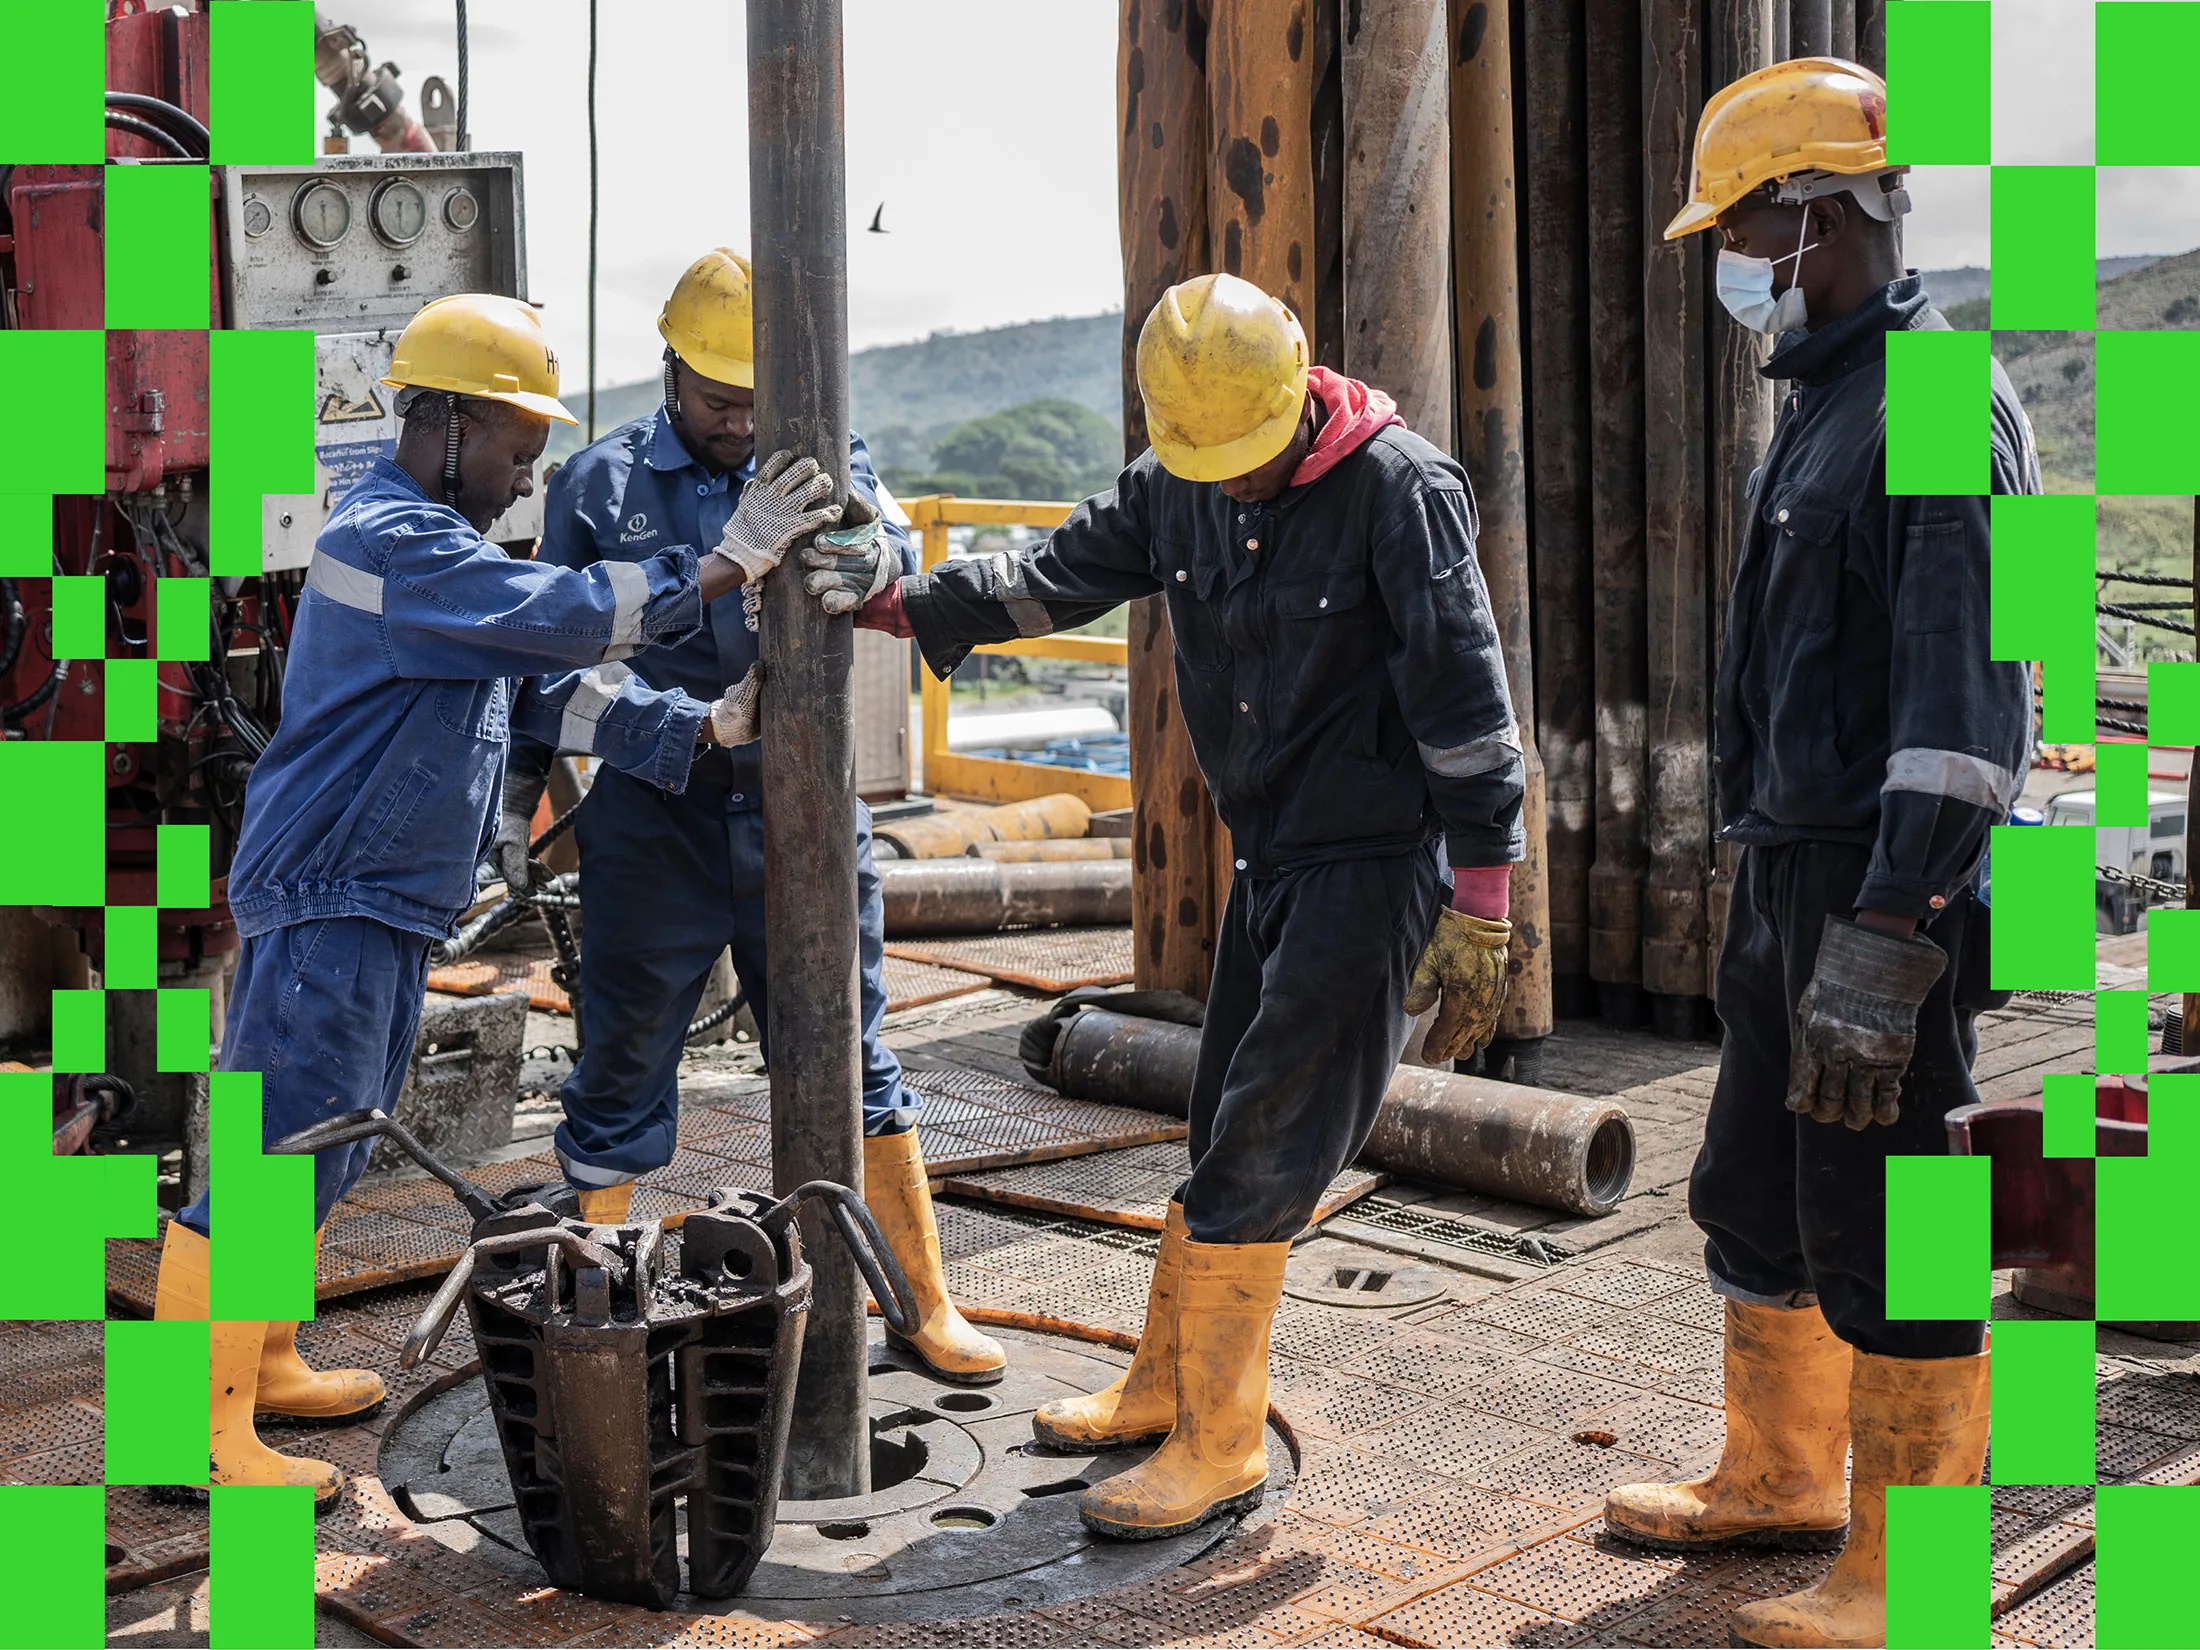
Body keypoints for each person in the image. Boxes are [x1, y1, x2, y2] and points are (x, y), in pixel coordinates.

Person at [799, 271, 1526, 1540]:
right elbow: (1054, 577)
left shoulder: (1400, 492)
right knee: (1216, 1125)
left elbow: (1467, 707)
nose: (1232, 483)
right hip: (1273, 858)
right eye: (1210, 463)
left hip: (1372, 864)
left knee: (1264, 1139)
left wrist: (1482, 896)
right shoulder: (1179, 480)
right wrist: (896, 599)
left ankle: (1220, 1441)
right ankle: (1165, 1384)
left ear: (1299, 392)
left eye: (1248, 458)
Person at [152, 292, 843, 1508]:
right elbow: (561, 616)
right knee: (279, 1148)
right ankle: (184, 1434)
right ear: (450, 422)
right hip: (336, 887)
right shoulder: (397, 543)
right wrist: (726, 562)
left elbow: (545, 694)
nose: (527, 480)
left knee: (324, 1136)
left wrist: (702, 726)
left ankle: (258, 1367)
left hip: (366, 891)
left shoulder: (435, 559)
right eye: (519, 452)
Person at [1600, 59, 2037, 1650]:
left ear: (1809, 217)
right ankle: (1780, 1475)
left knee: (1895, 1220)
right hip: (1794, 874)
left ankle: (1909, 1582)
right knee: (1761, 1195)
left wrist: (1894, 922)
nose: (1724, 259)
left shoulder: (1935, 395)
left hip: (1883, 897)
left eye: (1735, 225)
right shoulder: (1826, 396)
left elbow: (1971, 700)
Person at [506, 248, 1006, 1387]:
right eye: (721, 398)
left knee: (848, 1054)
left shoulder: (820, 451)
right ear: (672, 369)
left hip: (805, 823)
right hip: (656, 824)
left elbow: (898, 559)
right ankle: (601, 1315)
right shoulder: (599, 484)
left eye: (756, 397)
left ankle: (922, 1302)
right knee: (622, 1061)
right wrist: (654, 735)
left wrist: (883, 554)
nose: (740, 420)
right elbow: (550, 662)